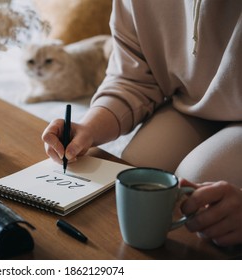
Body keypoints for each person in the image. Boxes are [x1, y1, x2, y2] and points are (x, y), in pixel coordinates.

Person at [42, 0, 242, 247]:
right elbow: (132, 77)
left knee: (199, 186)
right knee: (133, 172)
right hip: (190, 105)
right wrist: (89, 127)